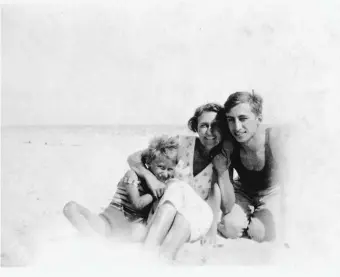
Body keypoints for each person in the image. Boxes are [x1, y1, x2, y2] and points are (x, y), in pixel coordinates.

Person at [127, 103, 235, 260]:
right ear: (196, 127)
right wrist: (149, 177)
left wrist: (212, 230)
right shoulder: (181, 144)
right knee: (176, 187)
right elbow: (134, 158)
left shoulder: (222, 160)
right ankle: (149, 258)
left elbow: (218, 198)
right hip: (165, 213)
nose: (210, 131)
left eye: (216, 126)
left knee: (181, 197)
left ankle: (153, 258)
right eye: (204, 125)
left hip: (198, 216)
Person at [62, 135, 179, 240]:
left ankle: (97, 242)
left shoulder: (166, 183)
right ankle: (91, 239)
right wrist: (156, 193)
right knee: (70, 207)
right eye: (161, 167)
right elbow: (137, 204)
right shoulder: (133, 175)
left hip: (130, 228)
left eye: (170, 169)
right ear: (149, 162)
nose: (165, 174)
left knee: (141, 231)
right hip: (109, 221)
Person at [218, 91, 286, 243]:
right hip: (243, 190)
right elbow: (226, 192)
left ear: (259, 119)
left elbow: (290, 183)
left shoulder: (273, 138)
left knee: (260, 233)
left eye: (243, 118)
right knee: (230, 228)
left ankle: (255, 221)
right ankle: (247, 219)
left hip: (271, 191)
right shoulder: (230, 145)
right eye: (231, 119)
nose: (237, 127)